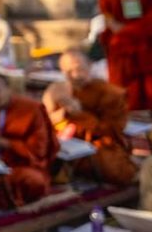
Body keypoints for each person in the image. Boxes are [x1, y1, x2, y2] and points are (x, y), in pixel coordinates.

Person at [42, 49, 136, 186]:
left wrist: (79, 115)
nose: (76, 75)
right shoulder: (60, 89)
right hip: (67, 140)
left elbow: (111, 130)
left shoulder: (111, 94)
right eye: (68, 72)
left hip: (100, 143)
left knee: (116, 172)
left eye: (79, 69)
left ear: (90, 65)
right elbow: (46, 121)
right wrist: (61, 113)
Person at [0, 71, 56, 204]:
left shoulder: (31, 109)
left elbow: (39, 151)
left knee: (33, 181)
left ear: (9, 90)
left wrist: (1, 142)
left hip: (19, 165)